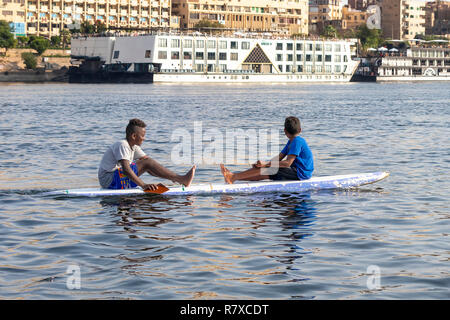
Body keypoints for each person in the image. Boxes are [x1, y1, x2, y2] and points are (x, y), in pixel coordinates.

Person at [98, 118, 196, 191]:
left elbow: (151, 166)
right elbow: (126, 170)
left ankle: (179, 179)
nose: (144, 138)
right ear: (134, 136)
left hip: (116, 179)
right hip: (108, 180)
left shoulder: (134, 147)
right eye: (143, 136)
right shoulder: (122, 144)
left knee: (147, 163)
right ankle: (182, 179)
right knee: (146, 163)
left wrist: (168, 177)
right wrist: (143, 185)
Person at [220, 116, 313, 184]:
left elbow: (287, 163)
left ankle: (233, 177)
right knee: (265, 170)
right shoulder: (291, 142)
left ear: (285, 131)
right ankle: (233, 176)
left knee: (268, 169)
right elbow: (279, 158)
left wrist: (266, 164)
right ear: (300, 130)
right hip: (295, 171)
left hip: (301, 174)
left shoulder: (297, 141)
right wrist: (262, 165)